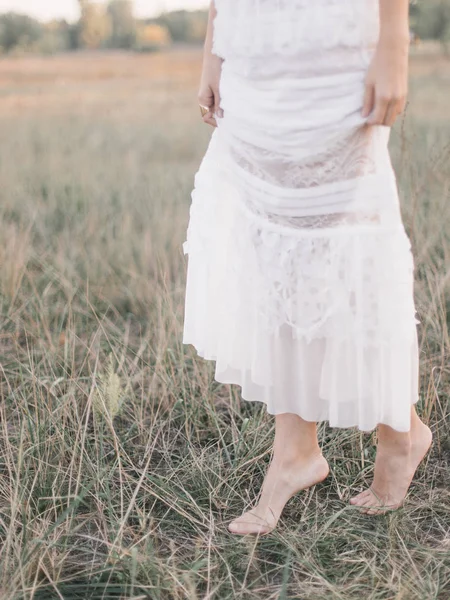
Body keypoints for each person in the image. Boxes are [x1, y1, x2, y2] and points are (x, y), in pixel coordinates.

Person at [182, 0, 433, 535]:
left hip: (332, 44)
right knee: (273, 252)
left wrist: (393, 40)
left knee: (351, 249)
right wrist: (213, 50)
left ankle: (399, 434)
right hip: (251, 49)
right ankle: (295, 449)